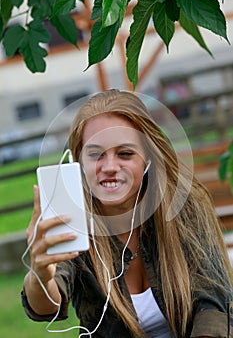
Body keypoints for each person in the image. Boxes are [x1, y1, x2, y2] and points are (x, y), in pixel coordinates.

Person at [21, 89, 233, 338]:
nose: (109, 167)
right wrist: (41, 276)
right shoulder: (71, 218)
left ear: (148, 158)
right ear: (78, 161)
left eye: (125, 153)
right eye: (95, 154)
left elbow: (213, 306)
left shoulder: (185, 207)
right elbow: (46, 308)